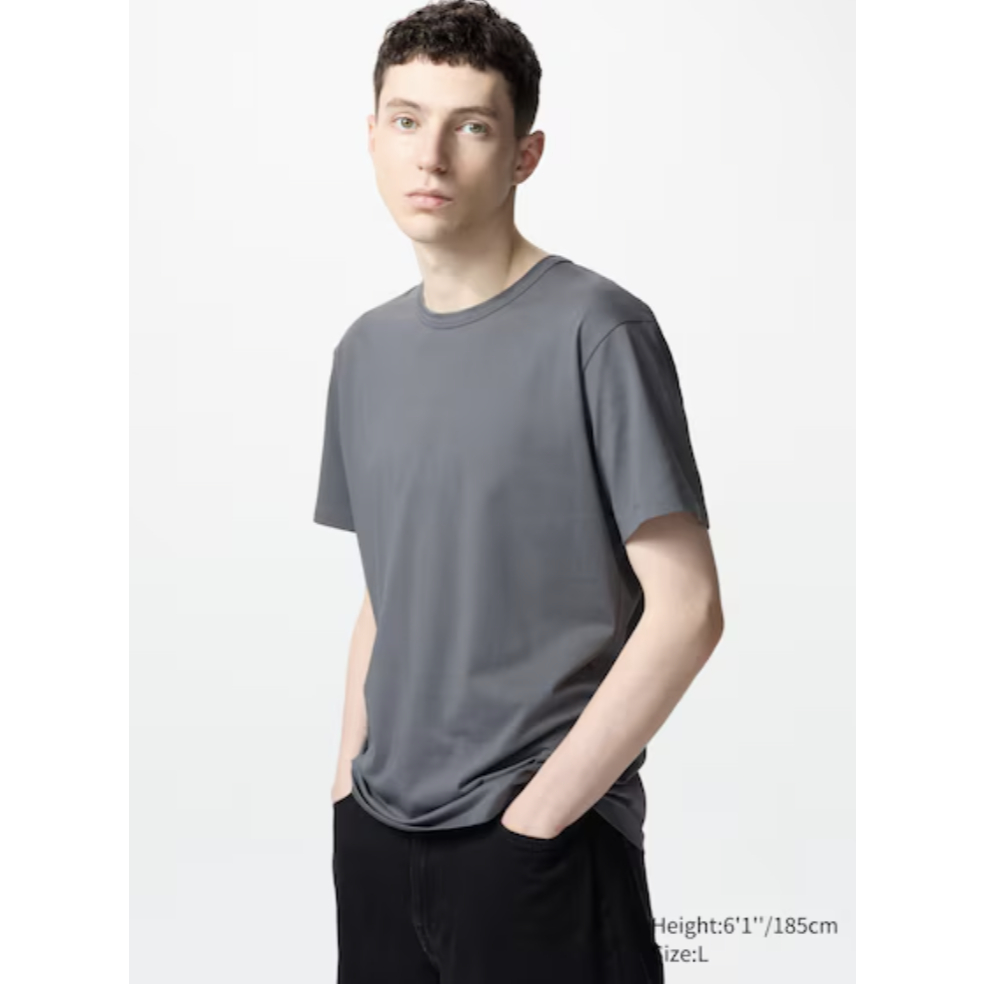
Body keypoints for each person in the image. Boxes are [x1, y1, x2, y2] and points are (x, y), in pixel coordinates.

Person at [314, 2, 724, 981]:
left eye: (472, 126)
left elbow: (688, 608)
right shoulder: (366, 352)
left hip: (537, 846)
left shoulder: (599, 331)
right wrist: (345, 789)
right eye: (407, 120)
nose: (431, 156)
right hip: (378, 838)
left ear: (524, 154)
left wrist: (539, 817)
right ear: (372, 136)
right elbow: (390, 586)